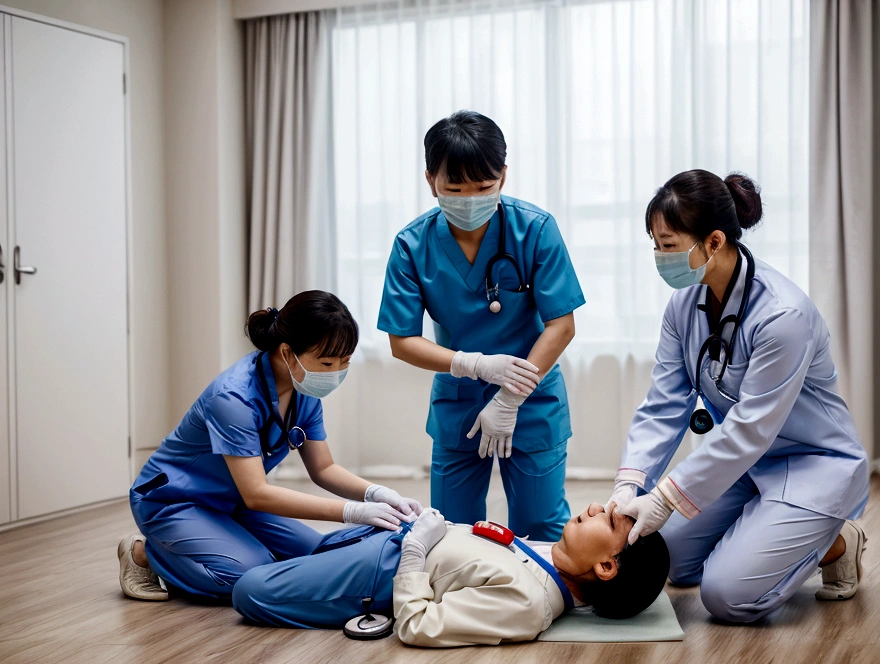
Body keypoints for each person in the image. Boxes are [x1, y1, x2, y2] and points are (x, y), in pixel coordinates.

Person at [606, 170, 870, 624]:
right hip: (749, 465)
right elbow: (665, 403)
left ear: (712, 242)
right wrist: (629, 483)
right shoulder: (684, 305)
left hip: (815, 463)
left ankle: (836, 541)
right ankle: (763, 526)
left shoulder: (783, 315)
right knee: (672, 560)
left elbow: (750, 429)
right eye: (654, 244)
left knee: (726, 596)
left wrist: (666, 497)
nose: (659, 257)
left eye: (668, 245)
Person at [118, 290, 423, 601]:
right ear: (288, 353)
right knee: (250, 576)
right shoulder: (233, 398)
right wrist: (352, 511)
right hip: (173, 502)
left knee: (312, 557)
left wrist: (378, 493)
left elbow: (323, 468)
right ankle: (145, 553)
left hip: (230, 503)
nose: (335, 374)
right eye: (327, 362)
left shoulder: (303, 389)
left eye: (344, 362)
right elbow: (256, 493)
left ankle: (221, 542)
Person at [377, 110, 585, 540]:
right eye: (453, 188)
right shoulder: (411, 245)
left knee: (541, 526)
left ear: (503, 177)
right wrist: (474, 365)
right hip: (460, 399)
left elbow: (561, 325)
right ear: (430, 179)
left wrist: (509, 397)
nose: (469, 199)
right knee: (450, 530)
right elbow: (402, 341)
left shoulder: (535, 230)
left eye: (484, 187)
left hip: (530, 398)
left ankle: (544, 603)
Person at [232, 505, 670, 647]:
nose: (595, 508)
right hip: (393, 534)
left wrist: (415, 550)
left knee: (249, 589)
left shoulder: (528, 604)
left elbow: (417, 625)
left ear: (606, 566)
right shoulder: (547, 559)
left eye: (608, 521)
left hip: (379, 572)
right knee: (252, 512)